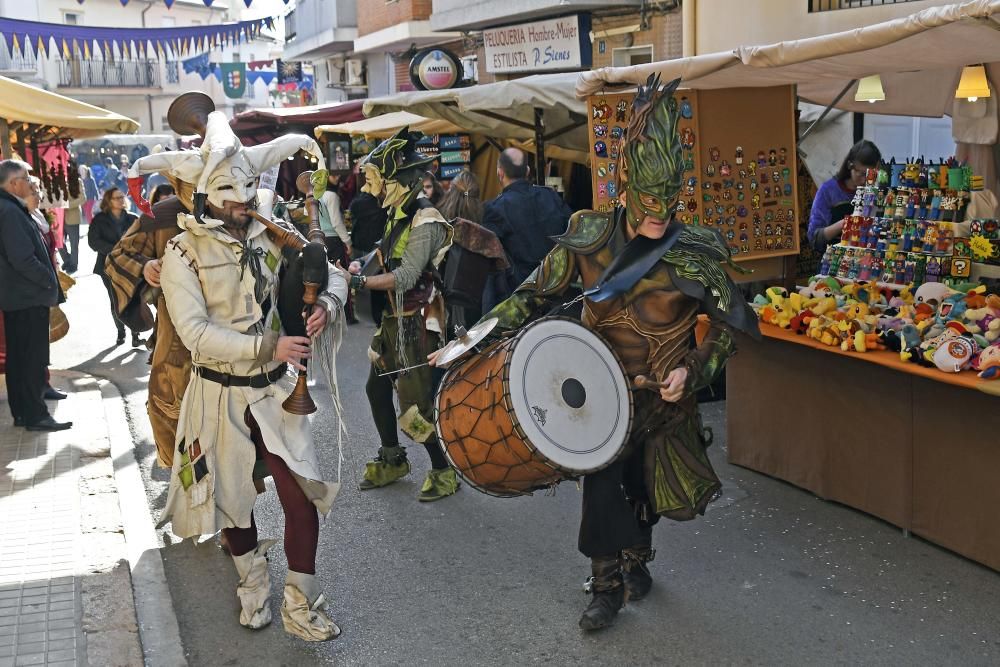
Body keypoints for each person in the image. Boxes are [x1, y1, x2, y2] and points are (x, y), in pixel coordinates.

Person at [438, 76, 760, 631]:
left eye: (671, 199)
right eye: (650, 200)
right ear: (628, 183)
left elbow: (730, 329)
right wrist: (472, 338)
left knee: (645, 486)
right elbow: (531, 296)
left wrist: (694, 369)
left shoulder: (696, 252)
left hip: (662, 398)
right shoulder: (588, 234)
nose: (661, 212)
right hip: (593, 396)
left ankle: (638, 557)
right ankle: (605, 582)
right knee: (602, 486)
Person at [151, 101, 347, 641]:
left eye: (246, 189)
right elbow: (194, 335)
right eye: (227, 193)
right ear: (204, 195)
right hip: (216, 394)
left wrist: (326, 304)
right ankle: (253, 584)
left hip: (276, 392)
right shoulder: (180, 254)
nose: (242, 203)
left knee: (301, 491)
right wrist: (270, 346)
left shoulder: (270, 231)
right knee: (232, 500)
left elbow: (331, 273)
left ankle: (300, 603)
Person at [347, 127, 459, 502]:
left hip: (418, 321)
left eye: (374, 179)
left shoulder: (425, 218)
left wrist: (362, 284)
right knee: (376, 388)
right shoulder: (399, 213)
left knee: (414, 405)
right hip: (396, 320)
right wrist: (355, 267)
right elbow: (381, 254)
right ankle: (393, 458)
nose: (368, 188)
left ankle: (443, 470)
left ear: (396, 180)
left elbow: (407, 276)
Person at [106, 180, 190, 468]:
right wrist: (145, 266)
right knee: (185, 448)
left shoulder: (243, 208)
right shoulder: (163, 214)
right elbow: (118, 256)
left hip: (238, 346)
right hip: (178, 343)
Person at [0, 160, 71, 432]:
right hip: (27, 296)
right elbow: (22, 259)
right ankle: (35, 415)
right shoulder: (9, 211)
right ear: (14, 183)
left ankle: (24, 413)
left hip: (21, 297)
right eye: (27, 179)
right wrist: (46, 279)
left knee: (20, 359)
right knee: (29, 360)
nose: (31, 184)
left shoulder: (11, 208)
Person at [481, 147, 572, 310]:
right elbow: (573, 233)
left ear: (500, 173)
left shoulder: (494, 209)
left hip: (521, 302)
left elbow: (489, 264)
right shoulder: (551, 196)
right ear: (528, 171)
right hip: (561, 292)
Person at [296, 171, 357, 324]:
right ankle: (345, 314)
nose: (337, 178)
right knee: (340, 275)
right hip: (333, 241)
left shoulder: (312, 196)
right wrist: (348, 242)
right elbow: (336, 222)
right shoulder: (332, 196)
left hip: (317, 240)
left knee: (322, 276)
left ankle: (322, 311)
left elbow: (306, 214)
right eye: (333, 176)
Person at [89, 187, 142, 347]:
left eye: (121, 197)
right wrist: (115, 249)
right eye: (116, 198)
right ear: (108, 201)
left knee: (132, 300)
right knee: (115, 301)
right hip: (107, 265)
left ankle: (135, 333)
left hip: (131, 265)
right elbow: (93, 241)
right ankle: (121, 332)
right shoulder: (99, 219)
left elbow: (142, 239)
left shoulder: (133, 218)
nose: (120, 200)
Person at [807, 139, 881, 251]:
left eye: (872, 175)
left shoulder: (874, 192)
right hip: (833, 261)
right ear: (850, 165)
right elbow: (814, 238)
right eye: (862, 174)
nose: (867, 179)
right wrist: (848, 222)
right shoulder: (828, 191)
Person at [60, 175, 86, 273]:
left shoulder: (76, 181)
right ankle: (67, 260)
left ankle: (74, 265)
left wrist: (67, 205)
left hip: (73, 217)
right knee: (59, 243)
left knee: (74, 244)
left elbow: (82, 198)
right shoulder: (53, 180)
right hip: (58, 218)